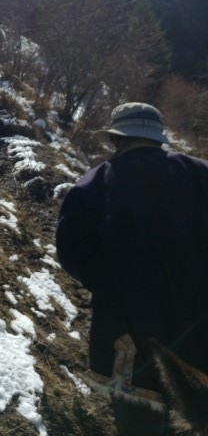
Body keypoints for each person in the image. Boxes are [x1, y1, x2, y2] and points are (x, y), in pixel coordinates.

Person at [55, 102, 208, 435]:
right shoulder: (200, 174)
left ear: (116, 140)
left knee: (139, 420)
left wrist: (110, 284)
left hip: (127, 330)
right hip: (199, 325)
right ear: (158, 138)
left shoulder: (93, 185)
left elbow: (71, 249)